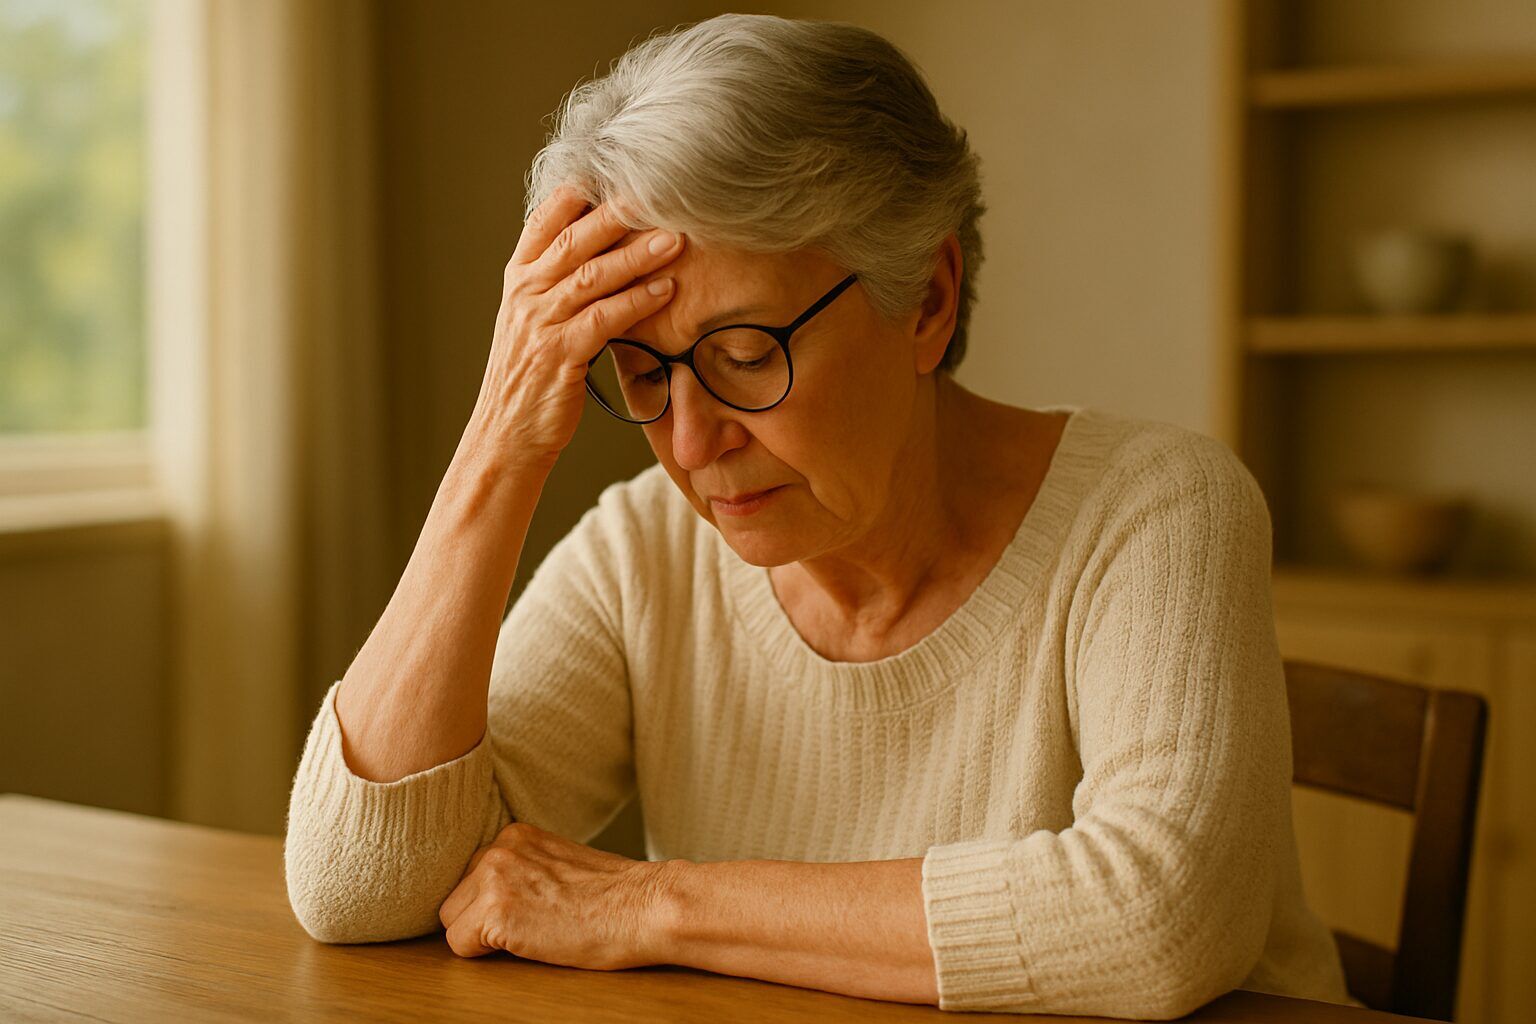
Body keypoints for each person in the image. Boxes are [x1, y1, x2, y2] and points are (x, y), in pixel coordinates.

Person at [284, 13, 1356, 1017]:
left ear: (926, 299)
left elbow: (1161, 916)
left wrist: (654, 903)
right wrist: (500, 440)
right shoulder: (644, 551)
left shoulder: (1155, 507)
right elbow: (355, 884)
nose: (691, 444)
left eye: (748, 355)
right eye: (643, 373)